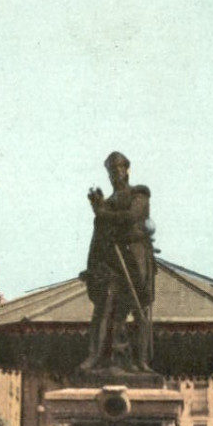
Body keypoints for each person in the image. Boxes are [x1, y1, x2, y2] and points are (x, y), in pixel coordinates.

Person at [78, 151, 157, 373]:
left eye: (119, 170)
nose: (115, 175)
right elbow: (99, 236)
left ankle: (141, 360)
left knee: (139, 309)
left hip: (136, 259)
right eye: (111, 171)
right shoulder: (108, 204)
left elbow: (131, 216)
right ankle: (96, 356)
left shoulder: (139, 194)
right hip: (113, 262)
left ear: (127, 170)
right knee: (105, 308)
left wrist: (102, 213)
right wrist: (92, 267)